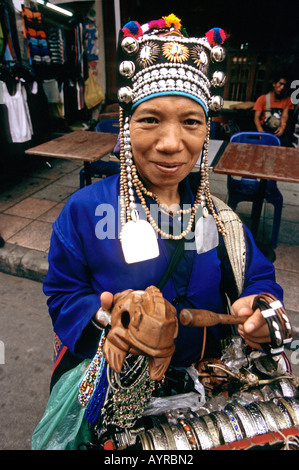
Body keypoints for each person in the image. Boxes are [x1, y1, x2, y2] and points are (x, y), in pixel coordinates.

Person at [33, 15, 292, 450]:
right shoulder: (85, 211)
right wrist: (108, 319)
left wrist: (261, 308)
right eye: (150, 119)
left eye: (191, 122)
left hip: (206, 397)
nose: (172, 143)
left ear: (207, 131)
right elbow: (63, 294)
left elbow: (260, 280)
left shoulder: (221, 218)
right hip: (120, 394)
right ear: (125, 127)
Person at [253, 73, 294, 146]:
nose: (282, 87)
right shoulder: (262, 99)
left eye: (285, 85)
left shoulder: (288, 100)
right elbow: (256, 117)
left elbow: (285, 116)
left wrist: (282, 127)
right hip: (264, 129)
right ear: (274, 84)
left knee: (286, 143)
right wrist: (260, 131)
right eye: (280, 84)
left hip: (278, 130)